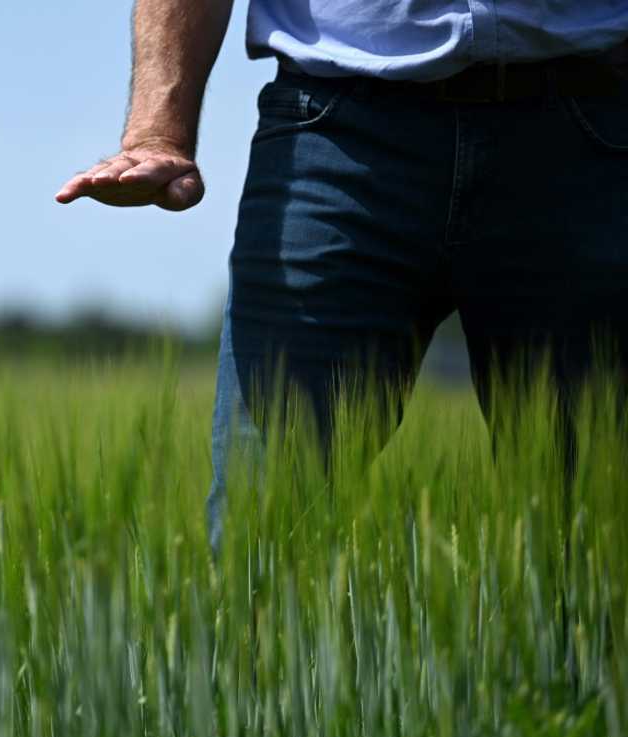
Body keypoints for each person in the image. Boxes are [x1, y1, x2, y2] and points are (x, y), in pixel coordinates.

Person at [55, 1, 628, 553]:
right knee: (264, 533)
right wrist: (157, 133)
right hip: (334, 129)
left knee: (596, 541)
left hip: (588, 127)